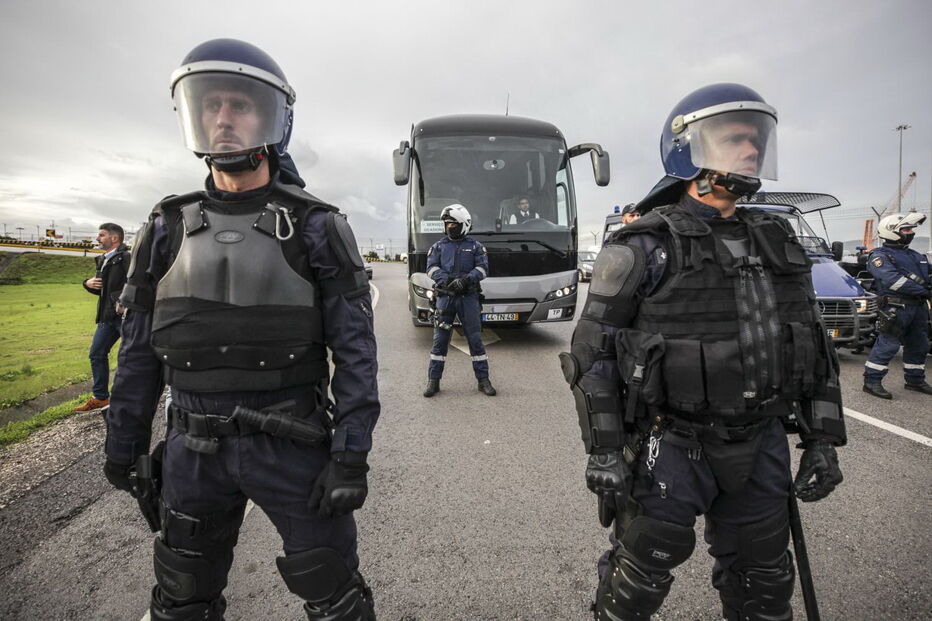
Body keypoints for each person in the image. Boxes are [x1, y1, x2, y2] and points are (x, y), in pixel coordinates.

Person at [103, 39, 379, 620]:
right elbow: (138, 353)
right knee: (182, 598)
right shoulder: (165, 225)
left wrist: (351, 455)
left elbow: (355, 353)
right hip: (191, 451)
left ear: (272, 119)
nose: (223, 119)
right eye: (211, 105)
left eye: (239, 105)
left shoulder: (317, 225)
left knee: (334, 595)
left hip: (292, 444)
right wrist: (124, 443)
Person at [560, 83, 845, 620]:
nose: (751, 149)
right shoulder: (644, 246)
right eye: (735, 137)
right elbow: (590, 357)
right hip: (672, 444)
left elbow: (811, 349)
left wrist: (823, 439)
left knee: (765, 588)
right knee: (636, 586)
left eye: (756, 138)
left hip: (760, 446)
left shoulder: (778, 240)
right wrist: (602, 449)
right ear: (689, 150)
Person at [424, 203, 496, 397]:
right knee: (439, 341)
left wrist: (466, 280)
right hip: (445, 299)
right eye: (447, 224)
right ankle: (433, 381)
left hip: (468, 298)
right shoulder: (438, 246)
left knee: (475, 340)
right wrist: (445, 280)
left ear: (464, 224)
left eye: (453, 223)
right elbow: (430, 267)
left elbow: (483, 268)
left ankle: (483, 381)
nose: (449, 227)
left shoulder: (476, 247)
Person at [862, 212, 931, 398]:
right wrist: (925, 291)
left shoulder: (916, 256)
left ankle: (915, 381)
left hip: (918, 308)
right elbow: (894, 281)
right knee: (888, 345)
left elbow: (929, 276)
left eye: (910, 229)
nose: (910, 233)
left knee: (919, 344)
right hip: (896, 307)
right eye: (906, 229)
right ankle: (872, 381)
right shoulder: (879, 256)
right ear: (892, 231)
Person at [75, 223, 130, 412]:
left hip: (125, 317)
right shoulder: (103, 260)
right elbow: (102, 291)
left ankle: (137, 395)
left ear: (114, 238)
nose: (97, 238)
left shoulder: (127, 258)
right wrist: (87, 283)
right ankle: (100, 397)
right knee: (96, 354)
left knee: (135, 356)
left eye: (101, 235)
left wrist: (121, 300)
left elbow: (137, 282)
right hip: (107, 317)